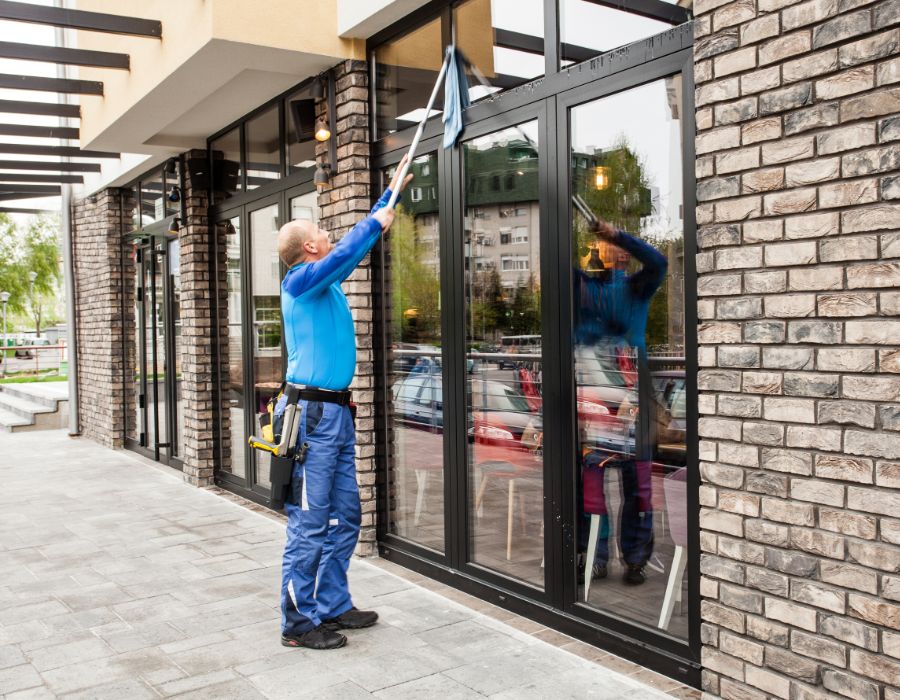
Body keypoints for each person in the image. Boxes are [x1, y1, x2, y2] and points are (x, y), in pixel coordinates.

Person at [275, 156, 413, 650]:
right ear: (308, 246)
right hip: (309, 415)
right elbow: (344, 253)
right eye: (320, 229)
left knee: (347, 513)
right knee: (311, 522)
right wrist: (376, 217)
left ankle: (332, 605)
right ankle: (298, 623)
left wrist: (387, 198)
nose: (327, 232)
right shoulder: (299, 281)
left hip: (335, 412)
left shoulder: (325, 280)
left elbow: (352, 251)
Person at [574, 217, 667, 587]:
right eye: (603, 245)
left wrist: (619, 235)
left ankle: (635, 559)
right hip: (591, 392)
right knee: (591, 482)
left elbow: (659, 262)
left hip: (633, 396)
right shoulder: (580, 288)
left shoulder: (637, 287)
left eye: (617, 248)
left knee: (639, 483)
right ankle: (594, 556)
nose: (610, 252)